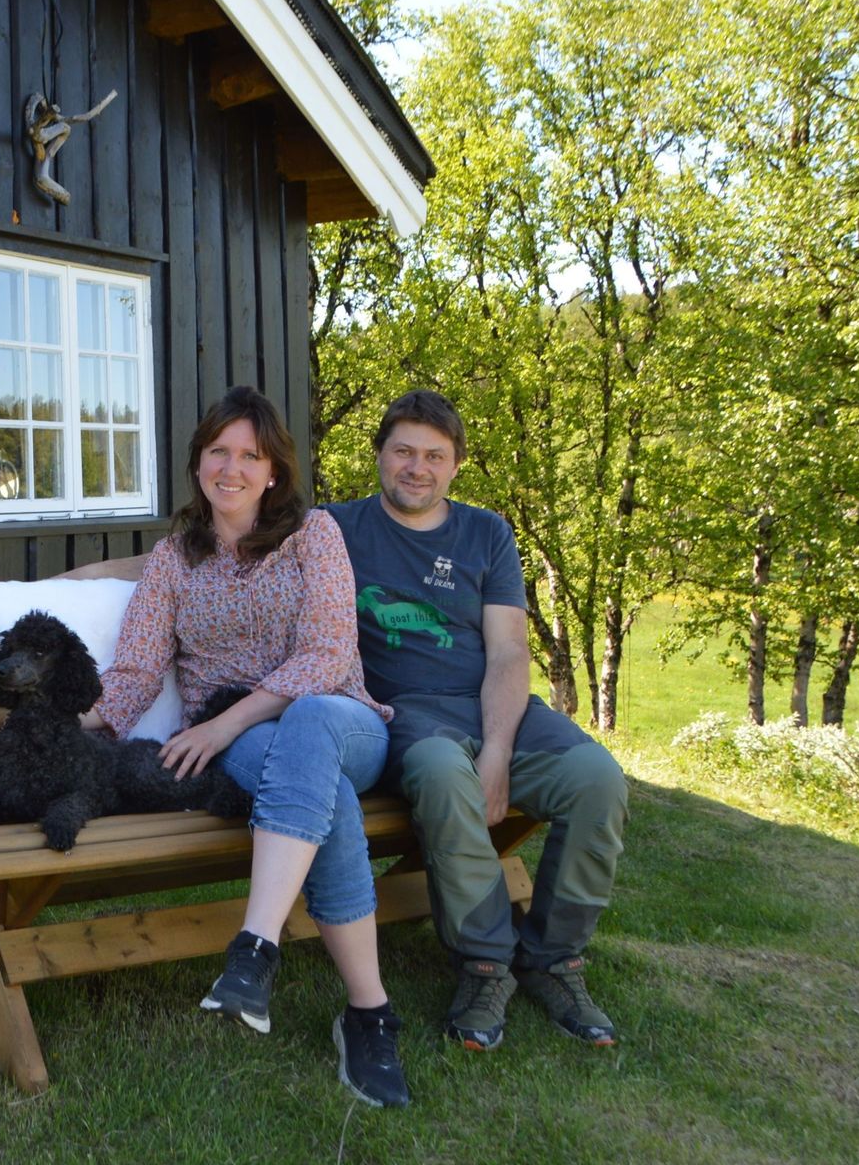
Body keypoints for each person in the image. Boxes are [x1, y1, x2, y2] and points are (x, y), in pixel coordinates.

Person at [77, 385, 410, 1109]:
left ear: (273, 472)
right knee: (326, 803)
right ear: (198, 462)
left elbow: (327, 656)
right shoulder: (173, 561)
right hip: (252, 747)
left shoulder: (313, 535)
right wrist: (77, 724)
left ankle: (254, 946)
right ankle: (369, 1014)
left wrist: (225, 724)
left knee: (311, 726)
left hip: (343, 720)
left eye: (250, 455)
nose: (231, 468)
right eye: (218, 451)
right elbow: (136, 670)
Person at [328, 389, 627, 1050]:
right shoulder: (336, 528)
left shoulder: (486, 533)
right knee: (442, 773)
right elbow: (242, 541)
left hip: (495, 702)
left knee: (597, 779)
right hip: (406, 714)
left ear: (456, 464)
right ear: (379, 454)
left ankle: (553, 958)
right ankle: (486, 963)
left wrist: (497, 750)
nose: (417, 468)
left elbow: (510, 650)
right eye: (403, 451)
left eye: (435, 456)